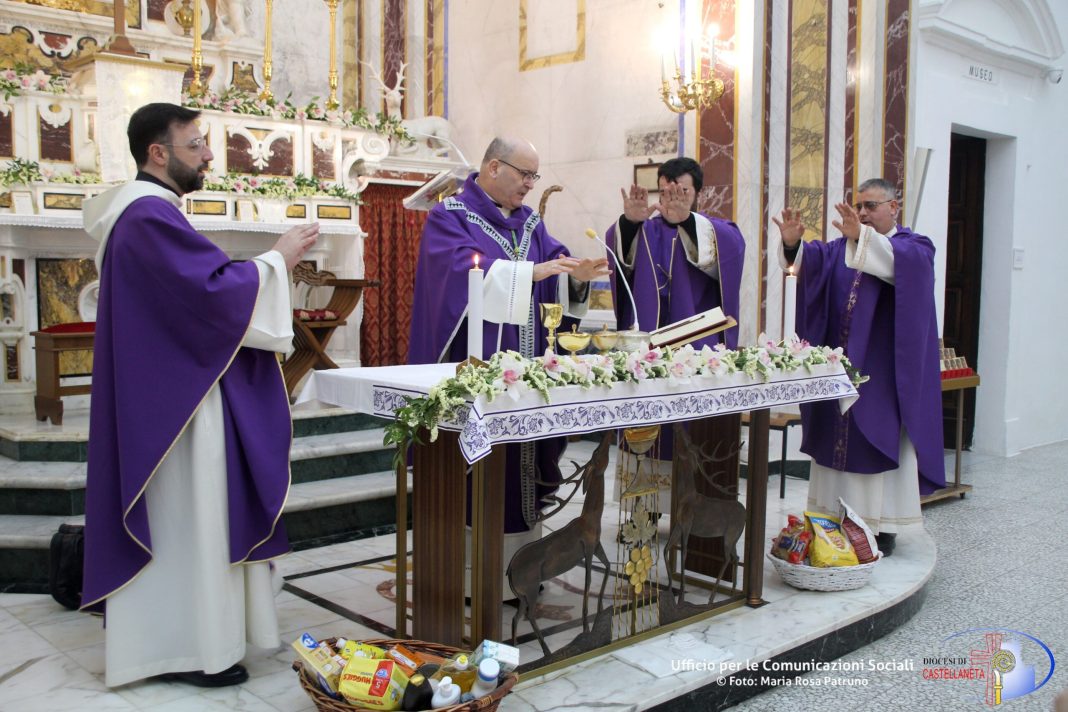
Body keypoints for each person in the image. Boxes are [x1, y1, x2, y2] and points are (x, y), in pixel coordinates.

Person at [80, 102, 320, 687]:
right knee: (189, 523)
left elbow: (197, 292)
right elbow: (210, 296)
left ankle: (191, 642)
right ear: (157, 154)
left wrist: (261, 269)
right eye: (195, 145)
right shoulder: (146, 218)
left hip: (174, 394)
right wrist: (277, 260)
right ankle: (188, 649)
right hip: (178, 411)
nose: (209, 155)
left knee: (189, 523)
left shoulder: (142, 216)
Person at [407, 136, 608, 536]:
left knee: (524, 470)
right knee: (479, 476)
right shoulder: (450, 216)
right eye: (525, 174)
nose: (531, 184)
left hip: (527, 371)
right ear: (494, 167)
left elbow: (555, 264)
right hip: (476, 368)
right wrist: (527, 273)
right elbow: (455, 273)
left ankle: (521, 565)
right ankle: (472, 570)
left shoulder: (530, 222)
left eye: (535, 175)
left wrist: (575, 278)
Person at [772, 178, 946, 556]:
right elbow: (810, 263)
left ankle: (879, 525)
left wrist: (862, 239)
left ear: (894, 207)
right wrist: (792, 245)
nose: (863, 213)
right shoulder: (840, 250)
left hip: (883, 373)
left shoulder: (915, 249)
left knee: (875, 438)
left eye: (871, 206)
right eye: (859, 206)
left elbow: (899, 266)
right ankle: (830, 521)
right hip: (840, 371)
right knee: (835, 440)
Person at [605, 157, 746, 506]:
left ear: (697, 193)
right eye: (666, 189)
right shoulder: (645, 229)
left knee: (686, 431)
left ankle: (691, 507)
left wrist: (688, 224)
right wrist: (627, 224)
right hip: (647, 351)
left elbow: (731, 254)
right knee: (645, 428)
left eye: (682, 189)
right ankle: (640, 510)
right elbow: (618, 257)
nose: (673, 197)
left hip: (694, 351)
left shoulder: (712, 230)